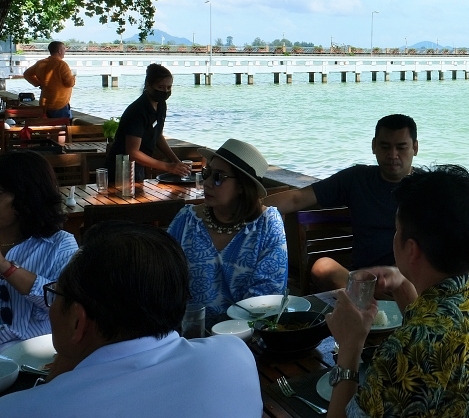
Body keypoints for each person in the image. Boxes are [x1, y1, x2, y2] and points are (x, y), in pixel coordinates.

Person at [324, 165, 469, 418]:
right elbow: (438, 327)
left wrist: (350, 346)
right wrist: (401, 284)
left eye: (397, 230)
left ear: (411, 249)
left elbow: (426, 341)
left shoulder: (405, 352)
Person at [0, 221, 263, 418]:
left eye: (55, 293)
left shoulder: (20, 409)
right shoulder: (234, 356)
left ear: (79, 321)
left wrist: (55, 379)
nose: (52, 305)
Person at [265, 114, 418, 289]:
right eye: (385, 146)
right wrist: (248, 210)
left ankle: (378, 299)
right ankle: (376, 298)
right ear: (374, 146)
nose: (393, 155)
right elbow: (296, 198)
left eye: (401, 147)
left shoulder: (430, 187)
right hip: (361, 279)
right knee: (322, 267)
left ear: (415, 147)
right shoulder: (357, 179)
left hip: (410, 279)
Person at [167, 139, 287, 318]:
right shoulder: (187, 220)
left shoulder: (267, 225)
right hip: (187, 333)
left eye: (218, 177)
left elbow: (267, 296)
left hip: (247, 335)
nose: (206, 183)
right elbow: (161, 278)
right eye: (207, 173)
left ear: (242, 186)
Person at [0, 151, 79, 352]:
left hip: (35, 355)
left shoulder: (59, 244)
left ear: (26, 198)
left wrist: (6, 268)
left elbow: (66, 307)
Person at [106, 63, 191, 180]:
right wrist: (168, 167)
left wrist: (177, 162)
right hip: (122, 167)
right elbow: (133, 152)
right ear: (148, 85)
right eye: (160, 87)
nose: (165, 91)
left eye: (168, 87)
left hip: (140, 166)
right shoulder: (138, 111)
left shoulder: (161, 105)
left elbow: (158, 135)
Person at [22, 41, 76, 119]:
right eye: (64, 49)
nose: (65, 51)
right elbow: (70, 83)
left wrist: (38, 83)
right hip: (59, 103)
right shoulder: (62, 64)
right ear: (59, 51)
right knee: (62, 127)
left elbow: (27, 74)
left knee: (47, 126)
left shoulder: (41, 63)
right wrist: (73, 76)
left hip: (45, 102)